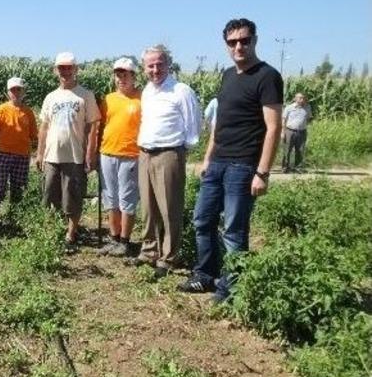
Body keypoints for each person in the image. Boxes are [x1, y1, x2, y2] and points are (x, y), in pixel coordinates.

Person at [179, 18, 283, 301]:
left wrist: (262, 173)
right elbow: (219, 124)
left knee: (234, 231)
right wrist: (207, 159)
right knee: (202, 220)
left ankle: (231, 289)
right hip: (218, 163)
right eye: (232, 42)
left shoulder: (267, 76)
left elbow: (274, 127)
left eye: (244, 40)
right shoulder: (228, 75)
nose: (239, 46)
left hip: (243, 165)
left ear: (254, 41)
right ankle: (205, 275)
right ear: (226, 44)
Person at [136, 45, 202, 278]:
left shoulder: (181, 90)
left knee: (169, 208)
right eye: (150, 65)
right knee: (148, 207)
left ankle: (169, 257)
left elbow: (193, 126)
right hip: (145, 153)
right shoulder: (147, 91)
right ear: (144, 68)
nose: (155, 69)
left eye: (159, 64)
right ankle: (149, 250)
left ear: (168, 64)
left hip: (168, 154)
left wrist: (182, 149)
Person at [36, 52, 101, 249]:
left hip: (75, 156)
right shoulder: (51, 97)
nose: (65, 71)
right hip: (52, 155)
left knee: (72, 197)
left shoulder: (85, 95)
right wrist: (39, 153)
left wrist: (90, 153)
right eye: (61, 68)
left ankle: (70, 234)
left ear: (76, 69)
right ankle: (51, 232)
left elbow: (92, 128)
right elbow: (44, 127)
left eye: (68, 67)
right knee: (49, 195)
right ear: (56, 71)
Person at [96, 57, 142, 258]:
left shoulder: (143, 98)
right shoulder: (108, 99)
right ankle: (113, 238)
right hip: (107, 153)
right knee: (110, 198)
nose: (121, 78)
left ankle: (125, 240)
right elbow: (100, 128)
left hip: (131, 155)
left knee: (127, 200)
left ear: (134, 76)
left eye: (126, 74)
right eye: (118, 74)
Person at [0, 77, 38, 221]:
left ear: (23, 92)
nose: (16, 92)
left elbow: (34, 135)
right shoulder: (1, 109)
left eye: (18, 89)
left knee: (19, 187)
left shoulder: (28, 112)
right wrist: (3, 140)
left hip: (22, 155)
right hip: (4, 153)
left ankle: (14, 217)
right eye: (12, 90)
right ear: (8, 92)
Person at [281, 93, 312, 172]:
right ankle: (285, 167)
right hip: (290, 131)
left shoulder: (307, 107)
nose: (302, 100)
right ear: (295, 99)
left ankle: (298, 167)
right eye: (300, 98)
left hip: (302, 132)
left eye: (304, 98)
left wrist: (305, 127)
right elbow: (284, 120)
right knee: (287, 149)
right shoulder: (289, 107)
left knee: (300, 150)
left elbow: (308, 119)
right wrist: (283, 132)